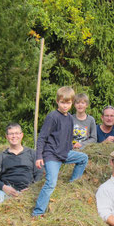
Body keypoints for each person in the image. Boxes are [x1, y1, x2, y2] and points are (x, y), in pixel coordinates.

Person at [32, 87, 88, 217]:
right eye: (62, 102)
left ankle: (71, 185)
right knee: (51, 183)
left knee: (83, 158)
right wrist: (39, 156)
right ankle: (38, 212)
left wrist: (70, 148)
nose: (65, 106)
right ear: (57, 101)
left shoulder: (69, 118)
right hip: (51, 155)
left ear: (72, 103)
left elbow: (68, 136)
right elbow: (42, 137)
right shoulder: (52, 117)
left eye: (68, 103)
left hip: (64, 153)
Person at [0, 123, 43, 208]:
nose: (14, 136)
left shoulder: (32, 154)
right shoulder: (1, 156)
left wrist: (32, 188)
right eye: (11, 134)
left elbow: (39, 173)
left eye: (17, 133)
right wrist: (3, 187)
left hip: (28, 191)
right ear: (6, 136)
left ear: (21, 135)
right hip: (5, 192)